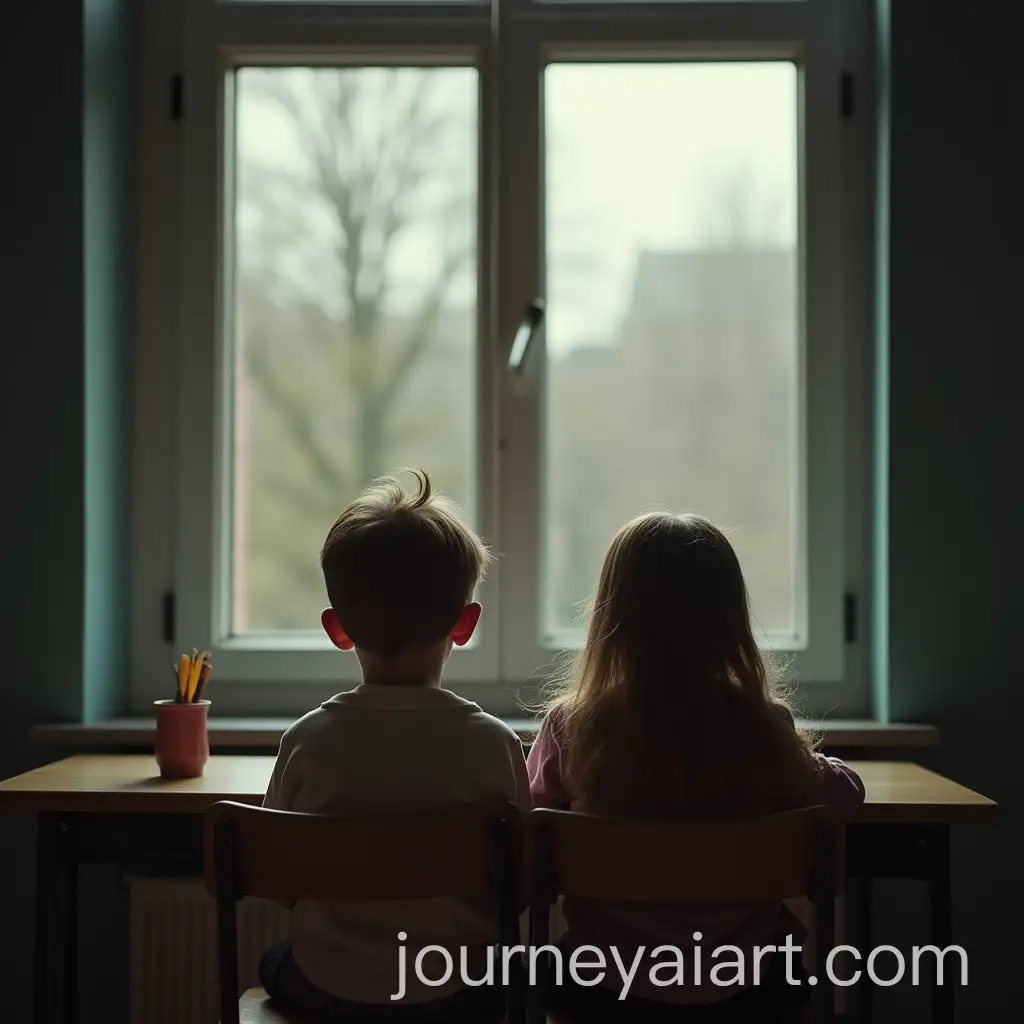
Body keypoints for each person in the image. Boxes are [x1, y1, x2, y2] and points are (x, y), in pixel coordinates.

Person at [527, 511, 865, 1022]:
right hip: (750, 992)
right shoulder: (761, 727)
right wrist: (801, 755)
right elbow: (844, 795)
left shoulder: (572, 728)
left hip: (603, 992)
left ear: (613, 618)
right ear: (729, 623)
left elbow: (533, 827)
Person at [260, 469, 530, 1021]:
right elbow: (521, 884)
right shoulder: (494, 746)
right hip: (457, 997)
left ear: (337, 630)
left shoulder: (307, 742)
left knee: (275, 962)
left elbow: (277, 877)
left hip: (331, 992)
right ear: (465, 625)